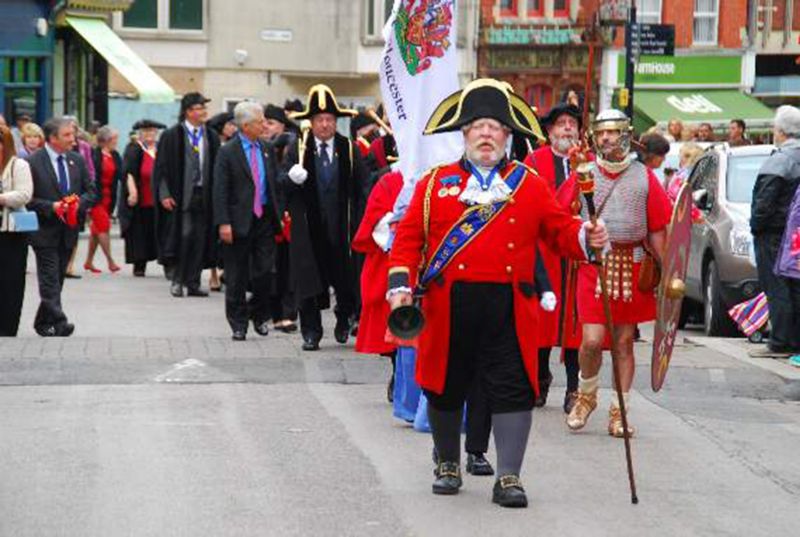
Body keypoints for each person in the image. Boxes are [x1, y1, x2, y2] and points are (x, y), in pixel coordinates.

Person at [387, 79, 609, 507]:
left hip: (510, 306)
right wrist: (399, 285)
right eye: (478, 126)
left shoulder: (528, 184)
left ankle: (509, 475)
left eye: (494, 127)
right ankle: (448, 462)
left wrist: (586, 236)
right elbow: (408, 240)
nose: (486, 134)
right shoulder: (435, 185)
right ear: (465, 134)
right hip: (448, 304)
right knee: (445, 385)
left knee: (512, 387)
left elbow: (558, 231)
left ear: (508, 136)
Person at [557, 109, 672, 439]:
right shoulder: (584, 172)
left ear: (626, 134)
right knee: (591, 341)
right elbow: (561, 216)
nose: (605, 138)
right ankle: (586, 396)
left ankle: (619, 412)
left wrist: (667, 271)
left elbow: (657, 229)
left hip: (632, 265)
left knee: (623, 342)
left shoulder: (643, 176)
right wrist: (578, 220)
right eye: (601, 132)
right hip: (594, 265)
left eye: (612, 132)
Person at [280, 84, 370, 351]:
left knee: (344, 281)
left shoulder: (349, 149)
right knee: (309, 281)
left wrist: (364, 219)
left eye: (329, 119)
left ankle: (344, 319)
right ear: (311, 122)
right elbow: (280, 182)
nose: (325, 125)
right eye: (320, 120)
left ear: (336, 122)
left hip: (342, 227)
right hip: (310, 228)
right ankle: (311, 331)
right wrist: (290, 179)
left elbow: (363, 187)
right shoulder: (298, 150)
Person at [523, 102, 584, 413]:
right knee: (544, 321)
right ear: (549, 131)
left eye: (572, 123)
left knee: (575, 324)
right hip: (545, 252)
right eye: (561, 123)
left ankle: (574, 388)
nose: (567, 128)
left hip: (576, 254)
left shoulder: (587, 162)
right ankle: (540, 377)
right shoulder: (533, 161)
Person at [213, 102, 282, 341]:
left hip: (263, 217)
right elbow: (220, 190)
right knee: (236, 276)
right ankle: (238, 323)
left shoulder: (266, 148)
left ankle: (258, 314)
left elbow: (273, 182)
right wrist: (223, 222)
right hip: (237, 221)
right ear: (245, 126)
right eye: (260, 121)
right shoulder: (227, 151)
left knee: (266, 272)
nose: (264, 125)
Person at [26, 117, 97, 337]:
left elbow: (91, 191)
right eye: (67, 135)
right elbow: (27, 198)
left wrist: (78, 205)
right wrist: (52, 206)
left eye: (72, 134)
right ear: (52, 138)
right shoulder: (33, 162)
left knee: (57, 277)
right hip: (44, 230)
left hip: (69, 230)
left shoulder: (76, 160)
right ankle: (60, 320)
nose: (73, 140)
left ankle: (43, 323)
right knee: (49, 277)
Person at [153, 92, 221, 298]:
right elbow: (161, 168)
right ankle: (177, 280)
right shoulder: (172, 135)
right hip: (181, 195)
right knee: (184, 236)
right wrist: (164, 194)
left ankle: (193, 282)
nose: (204, 112)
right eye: (200, 108)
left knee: (200, 239)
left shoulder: (210, 136)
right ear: (189, 111)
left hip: (205, 194)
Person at [750, 105, 800, 356]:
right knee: (794, 286)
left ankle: (780, 341)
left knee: (776, 285)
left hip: (774, 233)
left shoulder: (780, 160)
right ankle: (793, 340)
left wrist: (756, 226)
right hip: (793, 233)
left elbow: (765, 201)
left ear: (781, 131)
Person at [262, 103, 298, 332]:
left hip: (288, 217)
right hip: (267, 217)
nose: (265, 126)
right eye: (263, 122)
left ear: (282, 126)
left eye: (271, 122)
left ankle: (287, 313)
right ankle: (269, 311)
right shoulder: (264, 148)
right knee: (268, 268)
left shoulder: (292, 147)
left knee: (288, 268)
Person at [119, 120, 165, 277]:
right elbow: (128, 172)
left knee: (160, 231)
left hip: (159, 199)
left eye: (152, 131)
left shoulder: (161, 149)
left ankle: (166, 262)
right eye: (145, 132)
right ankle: (140, 264)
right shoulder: (134, 149)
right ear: (140, 133)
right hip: (141, 198)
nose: (149, 135)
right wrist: (132, 192)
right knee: (140, 232)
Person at [0, 125, 33, 336]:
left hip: (12, 232)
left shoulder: (18, 165)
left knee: (10, 281)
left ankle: (7, 327)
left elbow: (24, 194)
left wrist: (2, 198)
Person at [85, 126, 122, 273]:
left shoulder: (115, 155)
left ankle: (88, 261)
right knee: (104, 226)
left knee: (96, 230)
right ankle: (110, 261)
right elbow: (90, 175)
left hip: (109, 197)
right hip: (96, 197)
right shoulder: (94, 155)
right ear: (106, 140)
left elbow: (121, 174)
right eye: (114, 139)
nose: (116, 142)